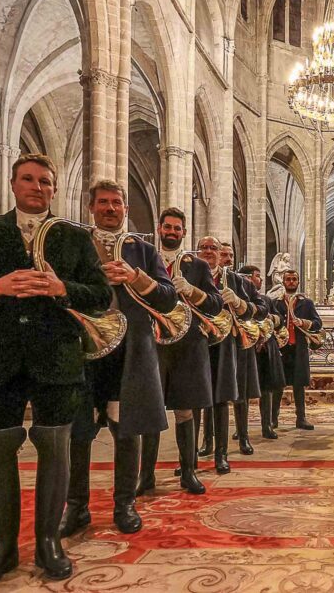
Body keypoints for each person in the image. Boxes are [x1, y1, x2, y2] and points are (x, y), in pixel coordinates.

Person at [0, 153, 112, 591]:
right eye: (28, 179)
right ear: (14, 184)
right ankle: (1, 549)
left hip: (55, 356)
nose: (36, 187)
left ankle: (47, 544)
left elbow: (98, 297)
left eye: (45, 181)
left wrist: (61, 288)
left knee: (55, 448)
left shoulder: (74, 236)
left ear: (54, 189)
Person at [59, 180, 177, 540]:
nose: (110, 209)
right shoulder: (75, 245)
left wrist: (136, 277)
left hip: (129, 354)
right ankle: (76, 507)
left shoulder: (142, 250)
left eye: (117, 203)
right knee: (78, 433)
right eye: (103, 203)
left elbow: (168, 299)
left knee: (127, 431)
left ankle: (125, 503)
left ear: (126, 209)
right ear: (91, 207)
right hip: (85, 352)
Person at [137, 207, 221, 497]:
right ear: (159, 229)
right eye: (167, 227)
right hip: (153, 345)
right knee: (151, 410)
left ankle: (189, 472)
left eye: (177, 228)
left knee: (186, 410)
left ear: (184, 232)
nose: (172, 232)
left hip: (187, 346)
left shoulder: (197, 266)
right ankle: (145, 476)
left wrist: (191, 291)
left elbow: (214, 304)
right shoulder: (147, 260)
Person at [194, 236, 254, 474]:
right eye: (204, 248)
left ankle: (221, 454)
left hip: (224, 345)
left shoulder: (236, 280)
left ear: (221, 253)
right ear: (197, 251)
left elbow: (257, 308)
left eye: (214, 248)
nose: (209, 251)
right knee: (193, 400)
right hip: (195, 343)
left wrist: (239, 303)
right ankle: (190, 459)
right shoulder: (188, 273)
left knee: (221, 399)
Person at [219, 242, 265, 457]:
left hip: (238, 343)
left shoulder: (241, 282)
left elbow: (261, 307)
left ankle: (243, 436)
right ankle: (209, 443)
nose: (227, 258)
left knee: (241, 393)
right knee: (211, 397)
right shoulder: (203, 278)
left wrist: (242, 305)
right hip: (214, 342)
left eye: (230, 255)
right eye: (224, 254)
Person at [239, 264, 287, 438]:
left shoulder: (265, 299)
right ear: (248, 278)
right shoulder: (237, 299)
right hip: (245, 349)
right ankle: (241, 428)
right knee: (242, 391)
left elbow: (280, 319)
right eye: (258, 276)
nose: (260, 280)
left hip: (264, 350)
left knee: (266, 389)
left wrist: (270, 319)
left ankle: (267, 425)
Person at [274, 270, 323, 430]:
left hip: (298, 347)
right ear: (283, 281)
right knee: (277, 384)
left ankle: (301, 418)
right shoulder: (276, 303)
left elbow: (318, 323)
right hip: (281, 348)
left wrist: (303, 322)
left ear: (298, 282)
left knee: (299, 384)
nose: (291, 282)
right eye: (288, 279)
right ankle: (273, 418)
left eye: (294, 279)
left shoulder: (306, 303)